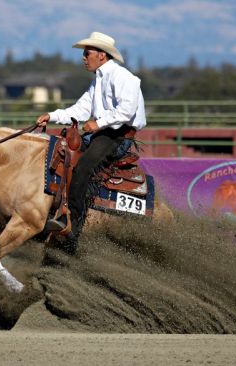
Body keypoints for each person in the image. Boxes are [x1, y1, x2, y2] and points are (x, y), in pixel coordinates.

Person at [37, 31, 146, 252]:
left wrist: (98, 123)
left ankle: (73, 228)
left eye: (87, 53)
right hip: (103, 133)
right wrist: (53, 115)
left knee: (84, 168)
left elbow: (126, 111)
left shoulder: (124, 78)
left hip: (118, 136)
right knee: (62, 152)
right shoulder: (98, 81)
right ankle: (55, 210)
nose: (83, 58)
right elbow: (80, 109)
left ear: (102, 56)